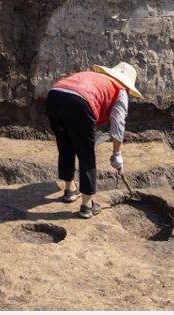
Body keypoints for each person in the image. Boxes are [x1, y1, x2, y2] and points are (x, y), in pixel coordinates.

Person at [45, 62, 142, 219]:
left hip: (54, 96)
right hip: (79, 102)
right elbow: (118, 125)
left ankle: (70, 190)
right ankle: (87, 205)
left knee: (65, 146)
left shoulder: (93, 77)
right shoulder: (120, 91)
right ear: (127, 84)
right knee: (86, 155)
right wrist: (117, 154)